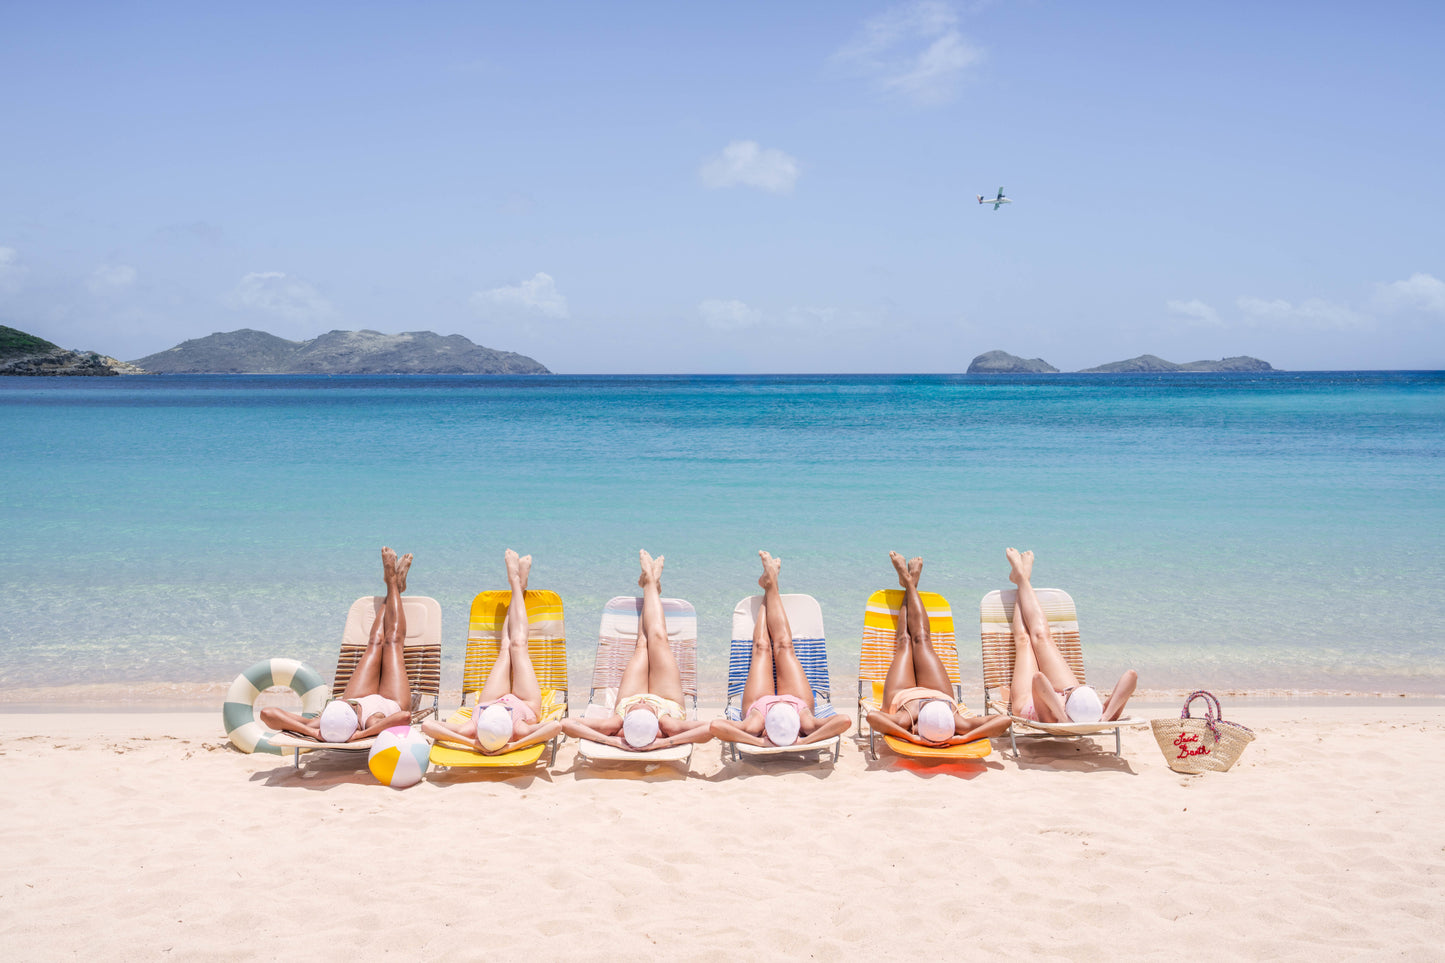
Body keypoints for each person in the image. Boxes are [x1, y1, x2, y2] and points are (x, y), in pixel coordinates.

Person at [560, 550, 714, 752]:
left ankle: (650, 583)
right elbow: (714, 727)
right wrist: (667, 741)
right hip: (668, 704)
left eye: (639, 707)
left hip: (626, 703)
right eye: (644, 707)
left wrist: (612, 740)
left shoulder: (614, 726)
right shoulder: (670, 727)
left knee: (642, 642)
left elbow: (565, 725)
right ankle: (651, 584)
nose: (643, 701)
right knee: (658, 638)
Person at [260, 547, 414, 743]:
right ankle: (393, 582)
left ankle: (394, 586)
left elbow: (267, 713)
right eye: (349, 707)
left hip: (359, 695)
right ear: (355, 726)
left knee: (375, 643)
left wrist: (313, 732)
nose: (348, 705)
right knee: (392, 641)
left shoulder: (326, 721)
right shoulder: (373, 722)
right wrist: (362, 735)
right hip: (392, 701)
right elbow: (405, 717)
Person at [422, 549, 563, 754]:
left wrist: (472, 743)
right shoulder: (520, 729)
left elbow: (427, 727)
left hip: (487, 702)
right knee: (518, 644)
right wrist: (511, 747)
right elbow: (555, 727)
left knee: (506, 647)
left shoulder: (471, 729)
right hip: (525, 704)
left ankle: (518, 584)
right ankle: (517, 584)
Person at [865, 552, 1011, 748]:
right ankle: (910, 582)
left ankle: (909, 582)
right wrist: (965, 737)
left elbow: (873, 717)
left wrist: (911, 738)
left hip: (904, 698)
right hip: (940, 694)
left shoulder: (904, 720)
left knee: (905, 641)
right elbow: (1005, 721)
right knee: (923, 639)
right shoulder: (961, 724)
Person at [709, 551, 852, 749]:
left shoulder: (753, 726)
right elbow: (844, 720)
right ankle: (771, 582)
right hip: (798, 705)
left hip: (760, 706)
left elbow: (716, 726)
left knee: (761, 648)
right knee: (784, 645)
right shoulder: (808, 724)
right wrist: (805, 740)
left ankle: (770, 583)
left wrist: (758, 741)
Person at [1004, 547, 1137, 723]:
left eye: (1070, 693)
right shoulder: (1097, 714)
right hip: (1067, 701)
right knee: (1043, 636)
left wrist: (1062, 716)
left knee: (1025, 640)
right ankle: (1021, 578)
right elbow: (1132, 676)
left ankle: (1022, 577)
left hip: (1030, 700)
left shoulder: (1051, 719)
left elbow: (1038, 680)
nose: (1068, 692)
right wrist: (1105, 715)